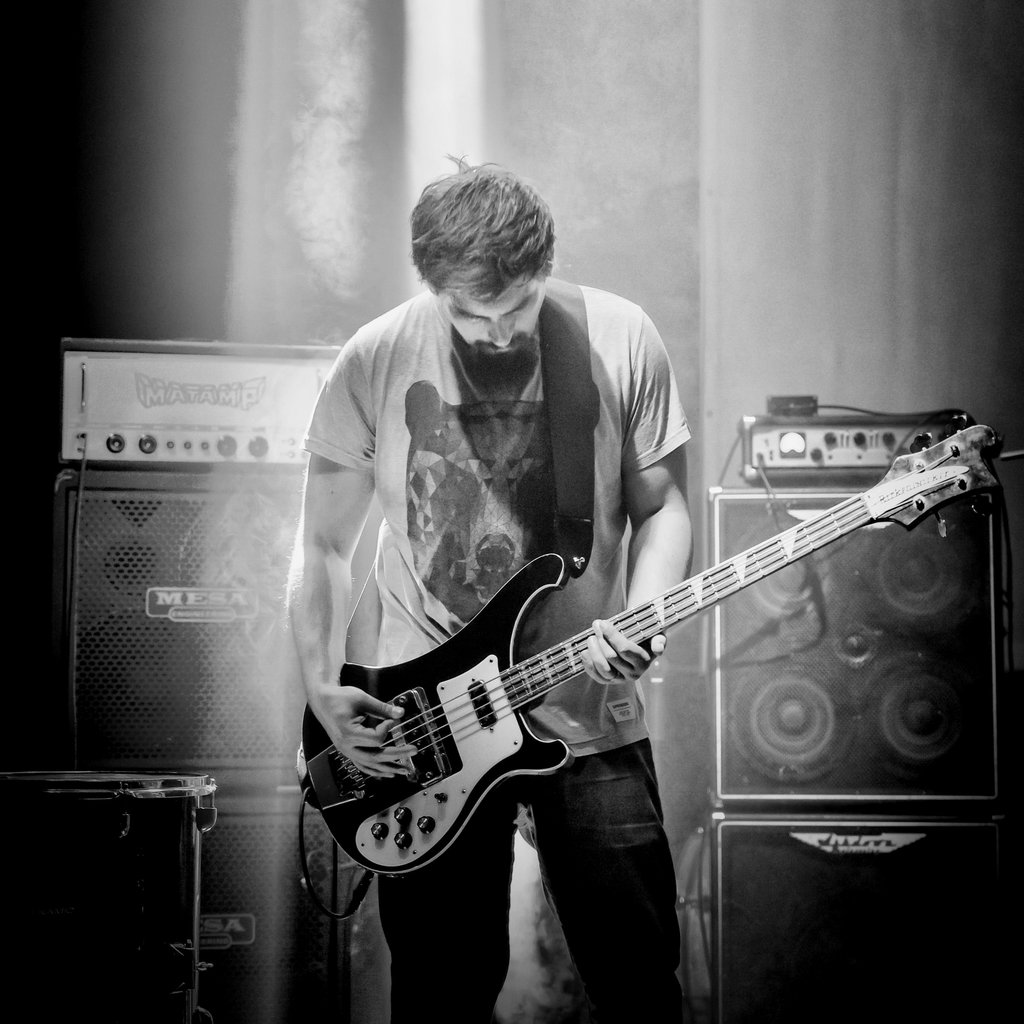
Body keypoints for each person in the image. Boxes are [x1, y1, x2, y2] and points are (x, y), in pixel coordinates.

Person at [287, 159, 693, 1023]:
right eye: (472, 314)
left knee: (638, 980)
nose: (499, 332)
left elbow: (664, 507)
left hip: (587, 707)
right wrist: (322, 687)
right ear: (431, 284)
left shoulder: (618, 337)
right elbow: (321, 544)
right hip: (426, 724)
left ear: (546, 267)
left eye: (519, 306)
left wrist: (645, 613)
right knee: (440, 995)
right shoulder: (376, 356)